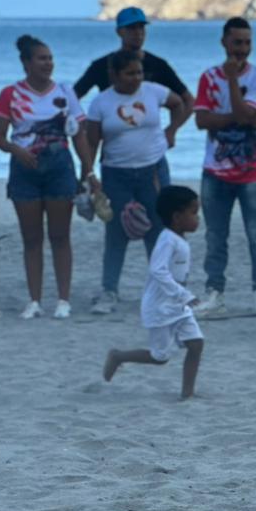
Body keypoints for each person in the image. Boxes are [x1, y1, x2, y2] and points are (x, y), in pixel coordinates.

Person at [0, 35, 97, 320]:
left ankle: (63, 300)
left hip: (59, 168)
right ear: (26, 63)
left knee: (60, 236)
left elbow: (80, 136)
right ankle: (34, 300)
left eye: (50, 58)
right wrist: (17, 151)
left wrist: (88, 171)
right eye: (41, 58)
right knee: (31, 238)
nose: (47, 63)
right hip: (24, 170)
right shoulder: (9, 94)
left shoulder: (65, 92)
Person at [84, 50, 187, 314]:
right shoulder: (100, 103)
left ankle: (163, 289)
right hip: (116, 174)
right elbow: (91, 142)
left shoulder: (154, 92)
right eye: (130, 73)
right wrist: (89, 175)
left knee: (157, 230)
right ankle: (109, 291)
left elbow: (180, 104)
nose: (136, 78)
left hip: (152, 171)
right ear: (114, 75)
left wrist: (171, 131)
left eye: (139, 72)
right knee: (117, 232)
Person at [192, 18, 256, 316]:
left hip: (252, 173)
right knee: (215, 235)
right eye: (237, 42)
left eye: (247, 43)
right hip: (215, 171)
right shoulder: (207, 78)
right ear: (224, 42)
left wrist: (231, 87)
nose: (242, 49)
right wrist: (240, 118)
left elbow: (244, 113)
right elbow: (202, 120)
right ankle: (215, 291)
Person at [102, 185, 204, 399]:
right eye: (194, 213)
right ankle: (118, 356)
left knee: (196, 344)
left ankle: (187, 393)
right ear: (177, 217)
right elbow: (157, 270)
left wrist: (182, 297)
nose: (198, 218)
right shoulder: (167, 240)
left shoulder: (178, 239)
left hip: (178, 305)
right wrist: (183, 294)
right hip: (161, 306)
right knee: (160, 358)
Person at [73, 6, 193, 185]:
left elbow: (188, 101)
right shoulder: (102, 66)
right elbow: (72, 98)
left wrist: (171, 130)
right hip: (115, 158)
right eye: (131, 28)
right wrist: (82, 124)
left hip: (151, 157)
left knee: (159, 210)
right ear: (119, 31)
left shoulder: (157, 65)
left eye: (141, 27)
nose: (138, 33)